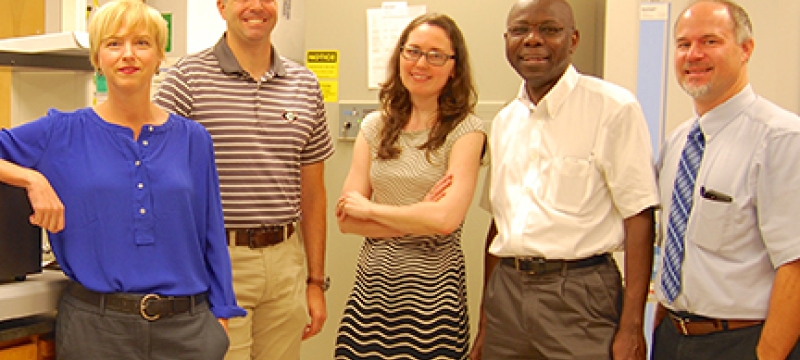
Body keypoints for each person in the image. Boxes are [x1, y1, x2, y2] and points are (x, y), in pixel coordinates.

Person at [0, 1, 245, 359]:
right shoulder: (61, 131)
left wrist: (221, 319)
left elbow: (211, 231)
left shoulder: (193, 138)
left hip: (187, 331)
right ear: (97, 57)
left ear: (160, 55)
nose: (127, 54)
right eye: (113, 43)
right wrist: (31, 178)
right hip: (96, 331)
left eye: (142, 43)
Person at [469, 0, 660, 359]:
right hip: (507, 293)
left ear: (573, 40)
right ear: (506, 40)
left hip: (580, 295)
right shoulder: (505, 121)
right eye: (520, 30)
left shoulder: (613, 108)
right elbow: (499, 224)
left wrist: (632, 326)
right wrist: (485, 322)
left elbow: (640, 218)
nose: (532, 39)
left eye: (549, 30)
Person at [153, 0, 334, 359]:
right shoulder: (185, 80)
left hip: (286, 262)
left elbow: (314, 194)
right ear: (221, 6)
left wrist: (315, 282)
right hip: (216, 262)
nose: (256, 6)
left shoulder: (305, 84)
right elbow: (154, 179)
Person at [651, 1, 800, 359]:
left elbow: (795, 266)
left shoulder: (781, 139)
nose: (693, 54)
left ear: (746, 49)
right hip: (673, 336)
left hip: (742, 342)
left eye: (710, 42)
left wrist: (767, 355)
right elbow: (675, 249)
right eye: (683, 44)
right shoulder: (678, 143)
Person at [333, 13, 486, 360]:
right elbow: (345, 219)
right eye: (412, 51)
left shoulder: (466, 131)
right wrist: (419, 216)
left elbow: (446, 220)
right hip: (371, 294)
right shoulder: (374, 126)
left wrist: (372, 210)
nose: (421, 63)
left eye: (436, 55)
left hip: (433, 301)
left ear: (454, 68)